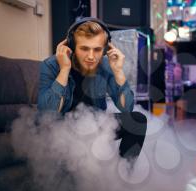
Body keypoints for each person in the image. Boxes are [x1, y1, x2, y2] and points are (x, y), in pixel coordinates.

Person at [37, 17, 147, 161]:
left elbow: (127, 108)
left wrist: (118, 71)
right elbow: (47, 113)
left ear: (105, 49)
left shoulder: (106, 65)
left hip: (93, 124)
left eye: (97, 50)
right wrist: (64, 69)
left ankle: (123, 176)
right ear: (71, 46)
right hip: (61, 130)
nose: (91, 56)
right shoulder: (51, 65)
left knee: (137, 121)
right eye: (84, 48)